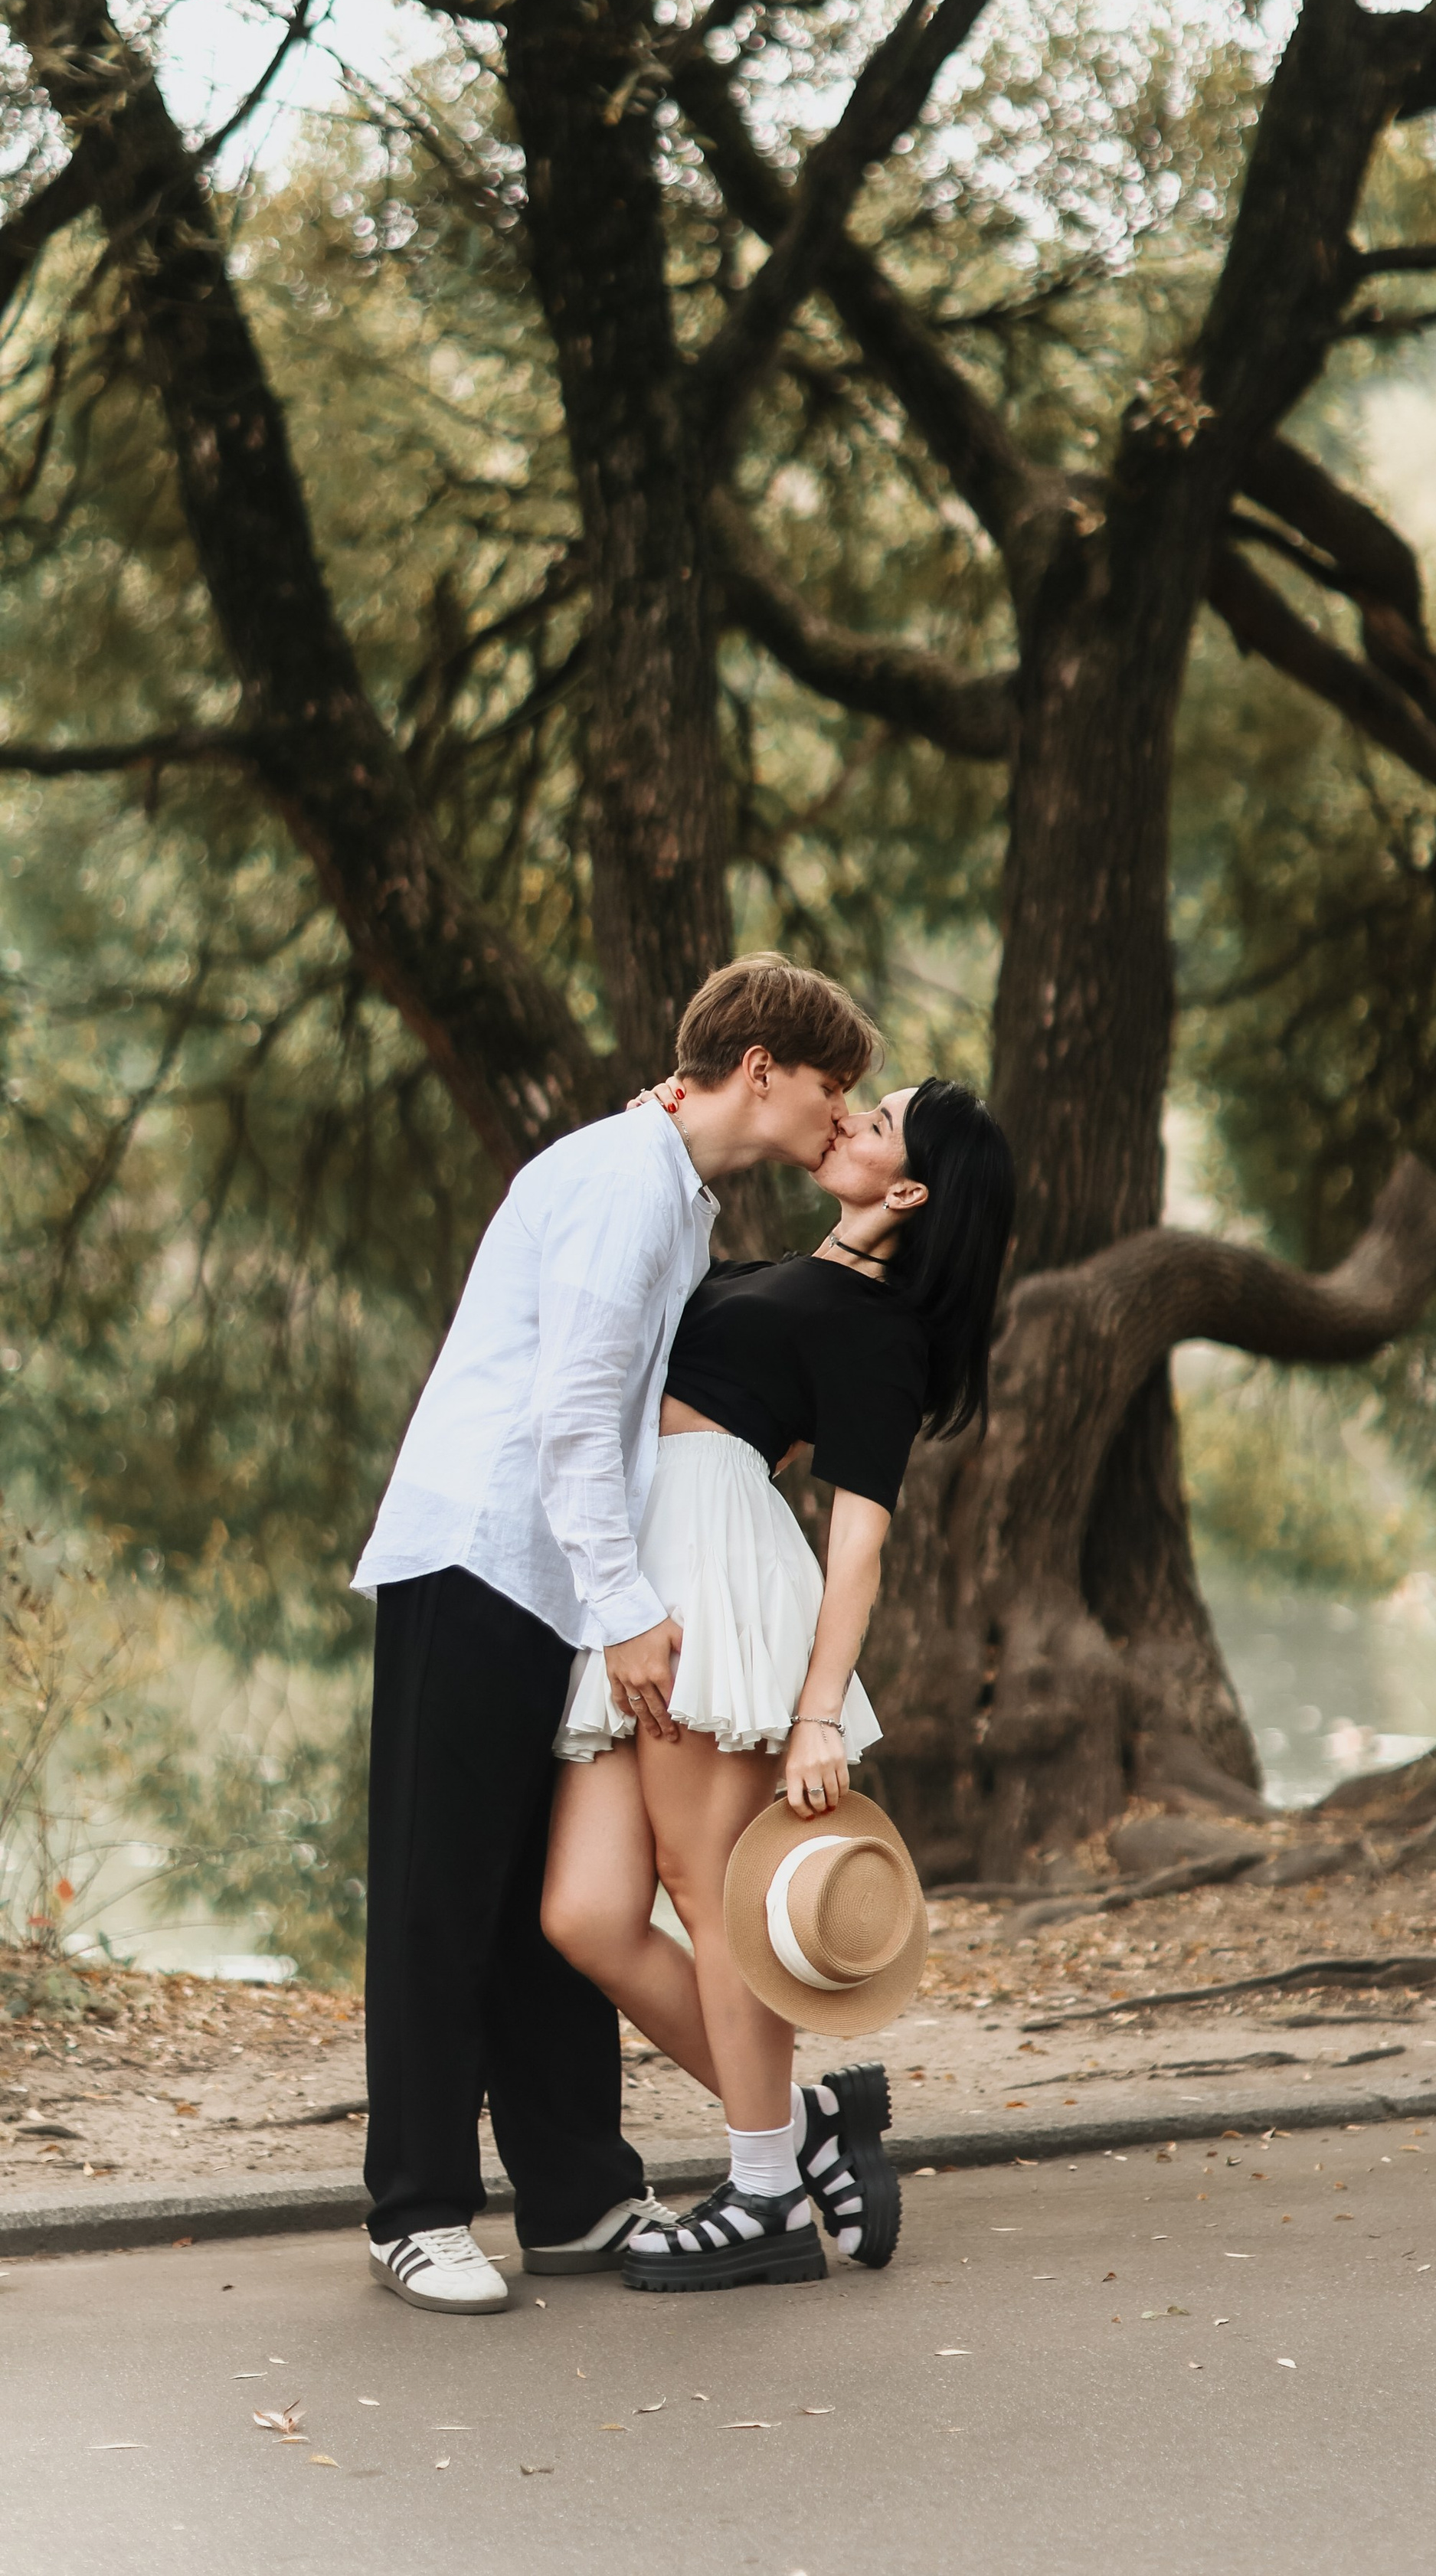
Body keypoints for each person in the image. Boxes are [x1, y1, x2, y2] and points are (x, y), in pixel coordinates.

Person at [352, 955, 881, 2316]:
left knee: (552, 1905)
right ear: (760, 1068)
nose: (843, 1112)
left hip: (558, 1579)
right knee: (439, 1891)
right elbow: (574, 1417)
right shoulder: (621, 1181)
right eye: (833, 1085)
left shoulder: (670, 1195)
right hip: (483, 1556)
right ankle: (413, 2209)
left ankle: (578, 2191)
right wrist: (631, 1610)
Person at [539, 1075, 1015, 2292]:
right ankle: (804, 2131)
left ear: (907, 1188)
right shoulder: (794, 1271)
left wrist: (815, 1717)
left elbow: (859, 1541)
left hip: (711, 1575)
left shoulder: (883, 1329)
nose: (849, 1116)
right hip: (638, 1577)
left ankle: (760, 2195)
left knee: (712, 1901)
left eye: (878, 1120)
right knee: (587, 1914)